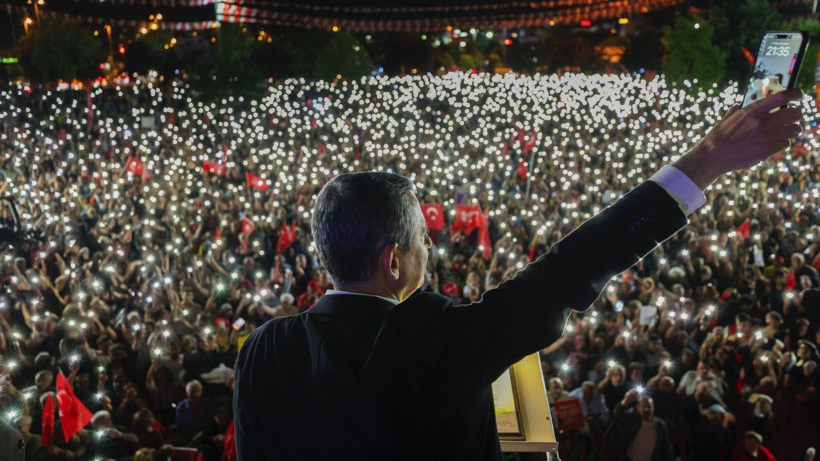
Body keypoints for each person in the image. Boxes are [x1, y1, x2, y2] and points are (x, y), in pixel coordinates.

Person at [233, 89, 804, 459]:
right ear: (393, 261)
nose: (430, 253)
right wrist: (709, 158)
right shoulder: (434, 336)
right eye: (424, 241)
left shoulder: (263, 349)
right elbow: (572, 267)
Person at [612, 389, 671, 460]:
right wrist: (626, 401)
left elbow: (665, 450)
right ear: (637, 408)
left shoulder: (661, 425)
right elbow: (618, 414)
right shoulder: (633, 418)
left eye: (649, 406)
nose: (647, 409)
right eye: (644, 406)